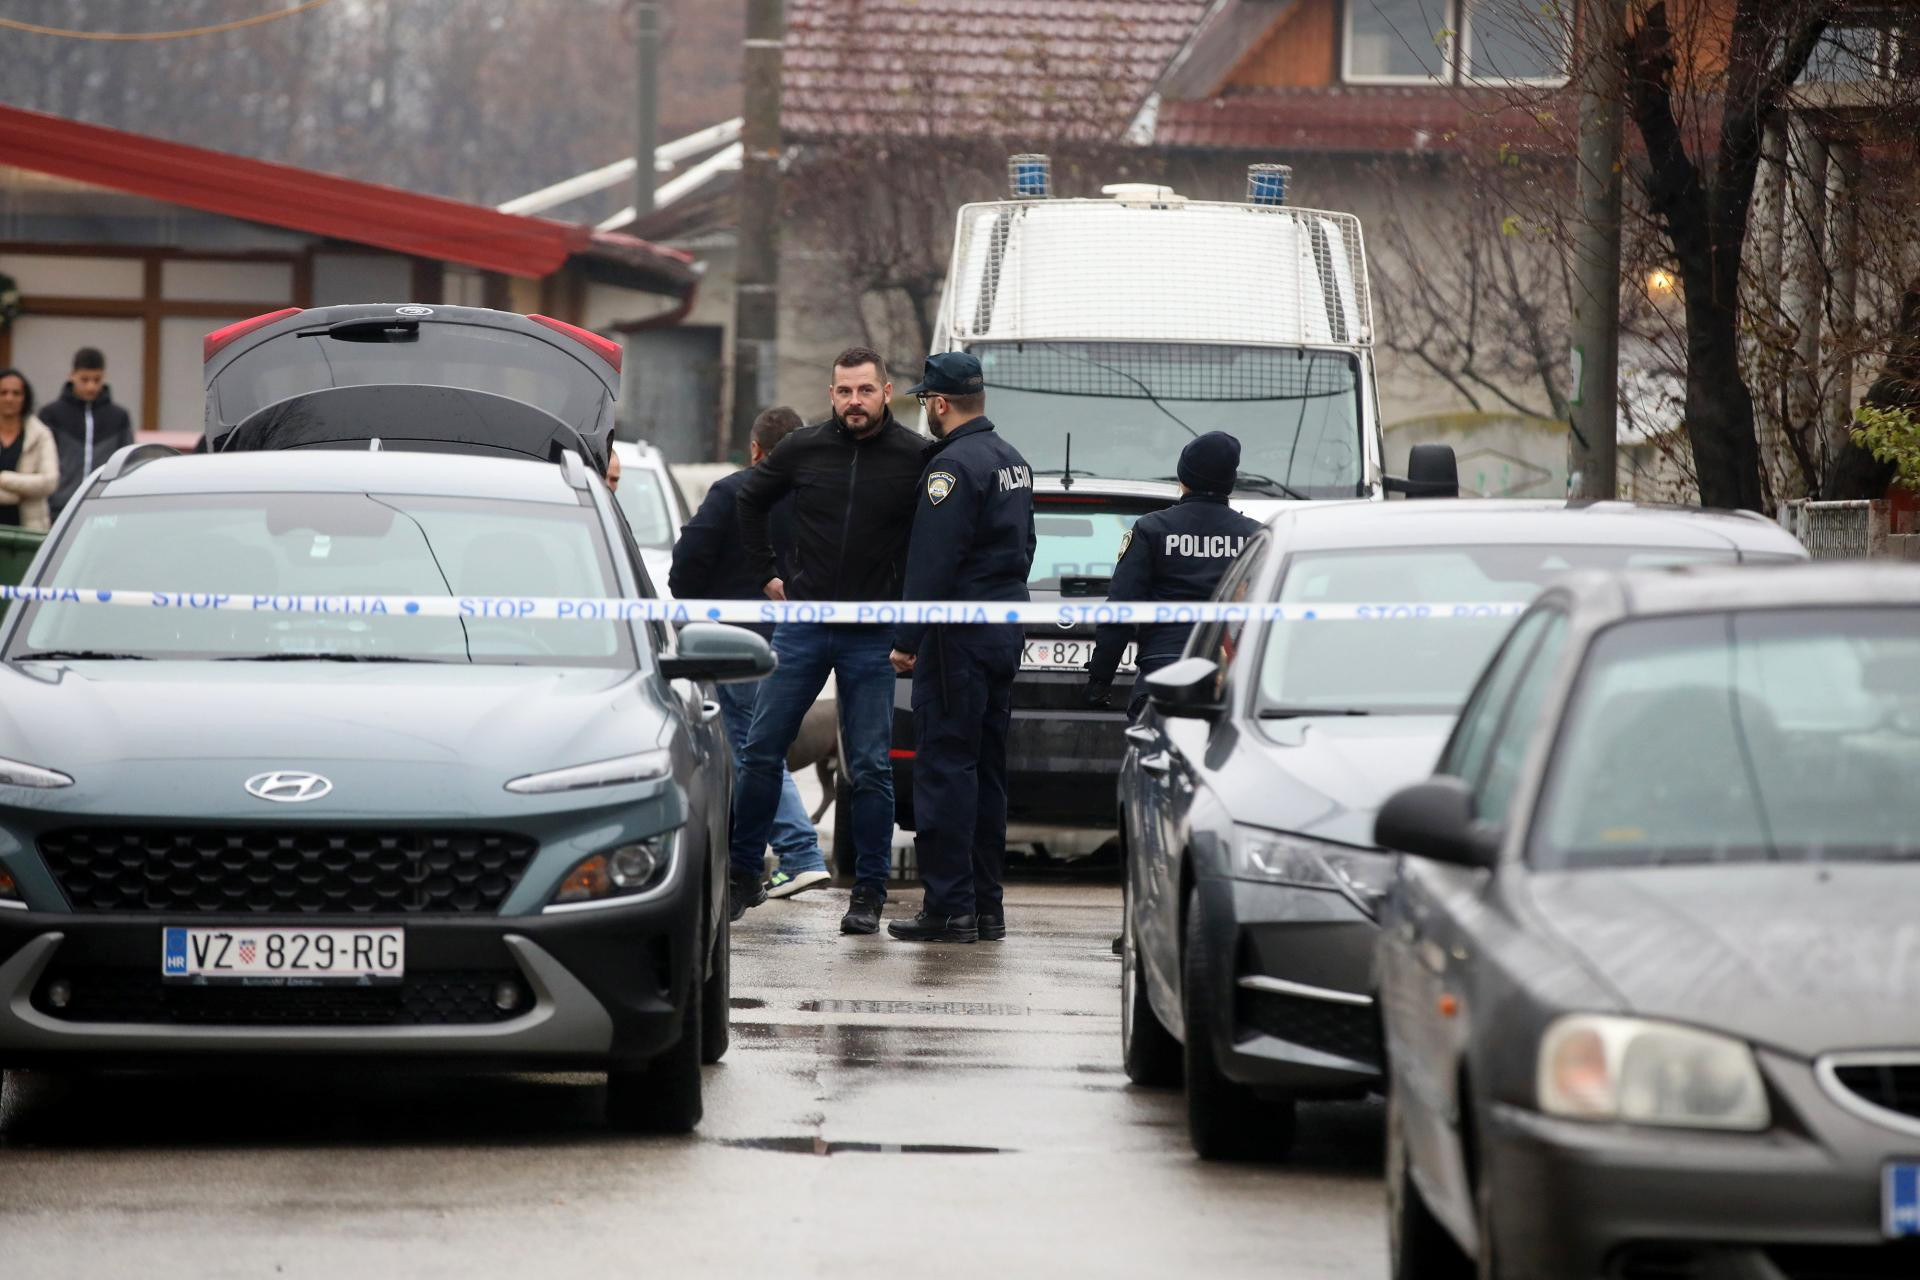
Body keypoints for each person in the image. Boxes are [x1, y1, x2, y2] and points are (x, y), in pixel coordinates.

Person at [731, 347, 927, 933]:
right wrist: (765, 572)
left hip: (872, 632)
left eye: (865, 390)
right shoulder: (803, 447)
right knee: (761, 749)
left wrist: (911, 616)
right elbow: (749, 498)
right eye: (844, 392)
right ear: (831, 395)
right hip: (805, 625)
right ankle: (743, 873)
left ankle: (867, 893)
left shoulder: (915, 456)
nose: (854, 402)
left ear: (887, 392)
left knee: (869, 767)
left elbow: (934, 539)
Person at [886, 352, 1036, 944]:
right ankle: (986, 906)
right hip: (1001, 631)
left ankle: (949, 909)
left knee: (946, 770)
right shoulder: (1012, 460)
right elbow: (1026, 546)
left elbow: (934, 560)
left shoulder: (951, 467)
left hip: (958, 640)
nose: (926, 409)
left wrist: (908, 638)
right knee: (986, 771)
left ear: (941, 403)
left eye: (927, 400)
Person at [670, 406, 830, 900]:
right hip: (797, 642)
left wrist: (697, 605)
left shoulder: (733, 492)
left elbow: (686, 564)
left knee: (753, 751)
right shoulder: (818, 499)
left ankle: (799, 852)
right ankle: (746, 860)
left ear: (755, 449)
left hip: (736, 644)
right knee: (759, 750)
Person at [1085, 431, 1263, 720]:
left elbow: (1121, 610)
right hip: (1230, 680)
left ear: (1183, 478)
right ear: (1230, 481)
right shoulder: (1255, 536)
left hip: (1163, 677)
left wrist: (1100, 678)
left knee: (1157, 749)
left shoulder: (1152, 529)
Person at [42, 347, 134, 518]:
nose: (91, 386)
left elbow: (126, 462)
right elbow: (42, 462)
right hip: (58, 507)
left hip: (104, 505)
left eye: (96, 379)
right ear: (72, 375)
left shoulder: (119, 416)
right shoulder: (51, 414)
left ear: (104, 377)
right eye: (84, 379)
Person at [0, 370, 60, 532]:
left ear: (25, 397)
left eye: (16, 393)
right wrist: (17, 495)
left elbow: (50, 481)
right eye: (3, 392)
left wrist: (4, 479)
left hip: (29, 531)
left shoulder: (40, 434)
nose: (9, 398)